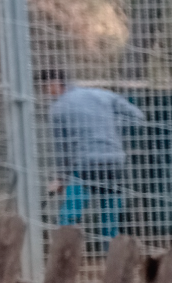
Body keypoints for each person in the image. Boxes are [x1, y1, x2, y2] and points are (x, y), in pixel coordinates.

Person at [39, 68, 143, 241]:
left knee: (69, 215)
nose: (46, 93)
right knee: (110, 217)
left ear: (54, 84)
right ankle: (111, 258)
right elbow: (137, 116)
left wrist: (61, 178)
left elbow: (62, 148)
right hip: (114, 160)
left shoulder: (58, 108)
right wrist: (113, 134)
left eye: (45, 88)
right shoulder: (103, 95)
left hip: (86, 164)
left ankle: (63, 252)